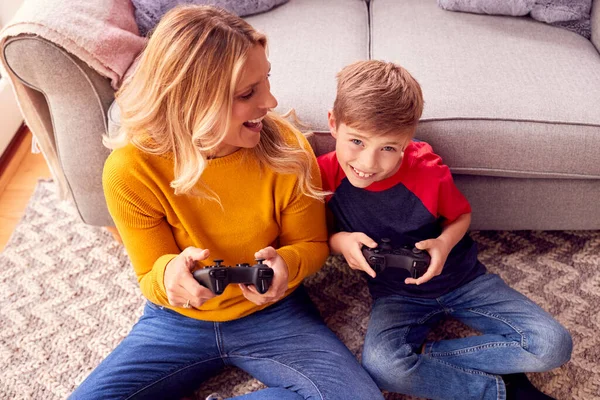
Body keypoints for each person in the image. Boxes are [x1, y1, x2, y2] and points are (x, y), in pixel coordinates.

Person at [69, 6, 384, 400]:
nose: (270, 101)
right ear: (191, 101)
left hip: (274, 312)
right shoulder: (130, 169)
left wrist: (286, 266)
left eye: (266, 80)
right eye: (248, 93)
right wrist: (171, 278)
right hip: (177, 320)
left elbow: (313, 245)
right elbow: (150, 274)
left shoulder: (287, 149)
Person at [317, 60, 573, 400]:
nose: (367, 164)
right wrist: (341, 242)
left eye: (388, 148)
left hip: (464, 281)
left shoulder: (426, 170)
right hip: (396, 295)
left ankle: (436, 359)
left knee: (554, 345)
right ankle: (500, 389)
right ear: (333, 123)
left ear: (407, 142)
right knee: (381, 366)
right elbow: (318, 236)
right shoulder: (322, 176)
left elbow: (460, 217)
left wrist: (443, 243)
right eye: (357, 142)